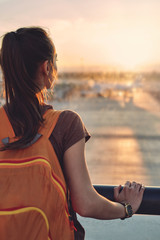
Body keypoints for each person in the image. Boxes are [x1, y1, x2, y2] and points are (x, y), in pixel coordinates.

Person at [0, 27, 145, 239]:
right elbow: (85, 204)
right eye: (55, 61)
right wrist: (127, 208)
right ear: (46, 67)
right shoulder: (65, 123)